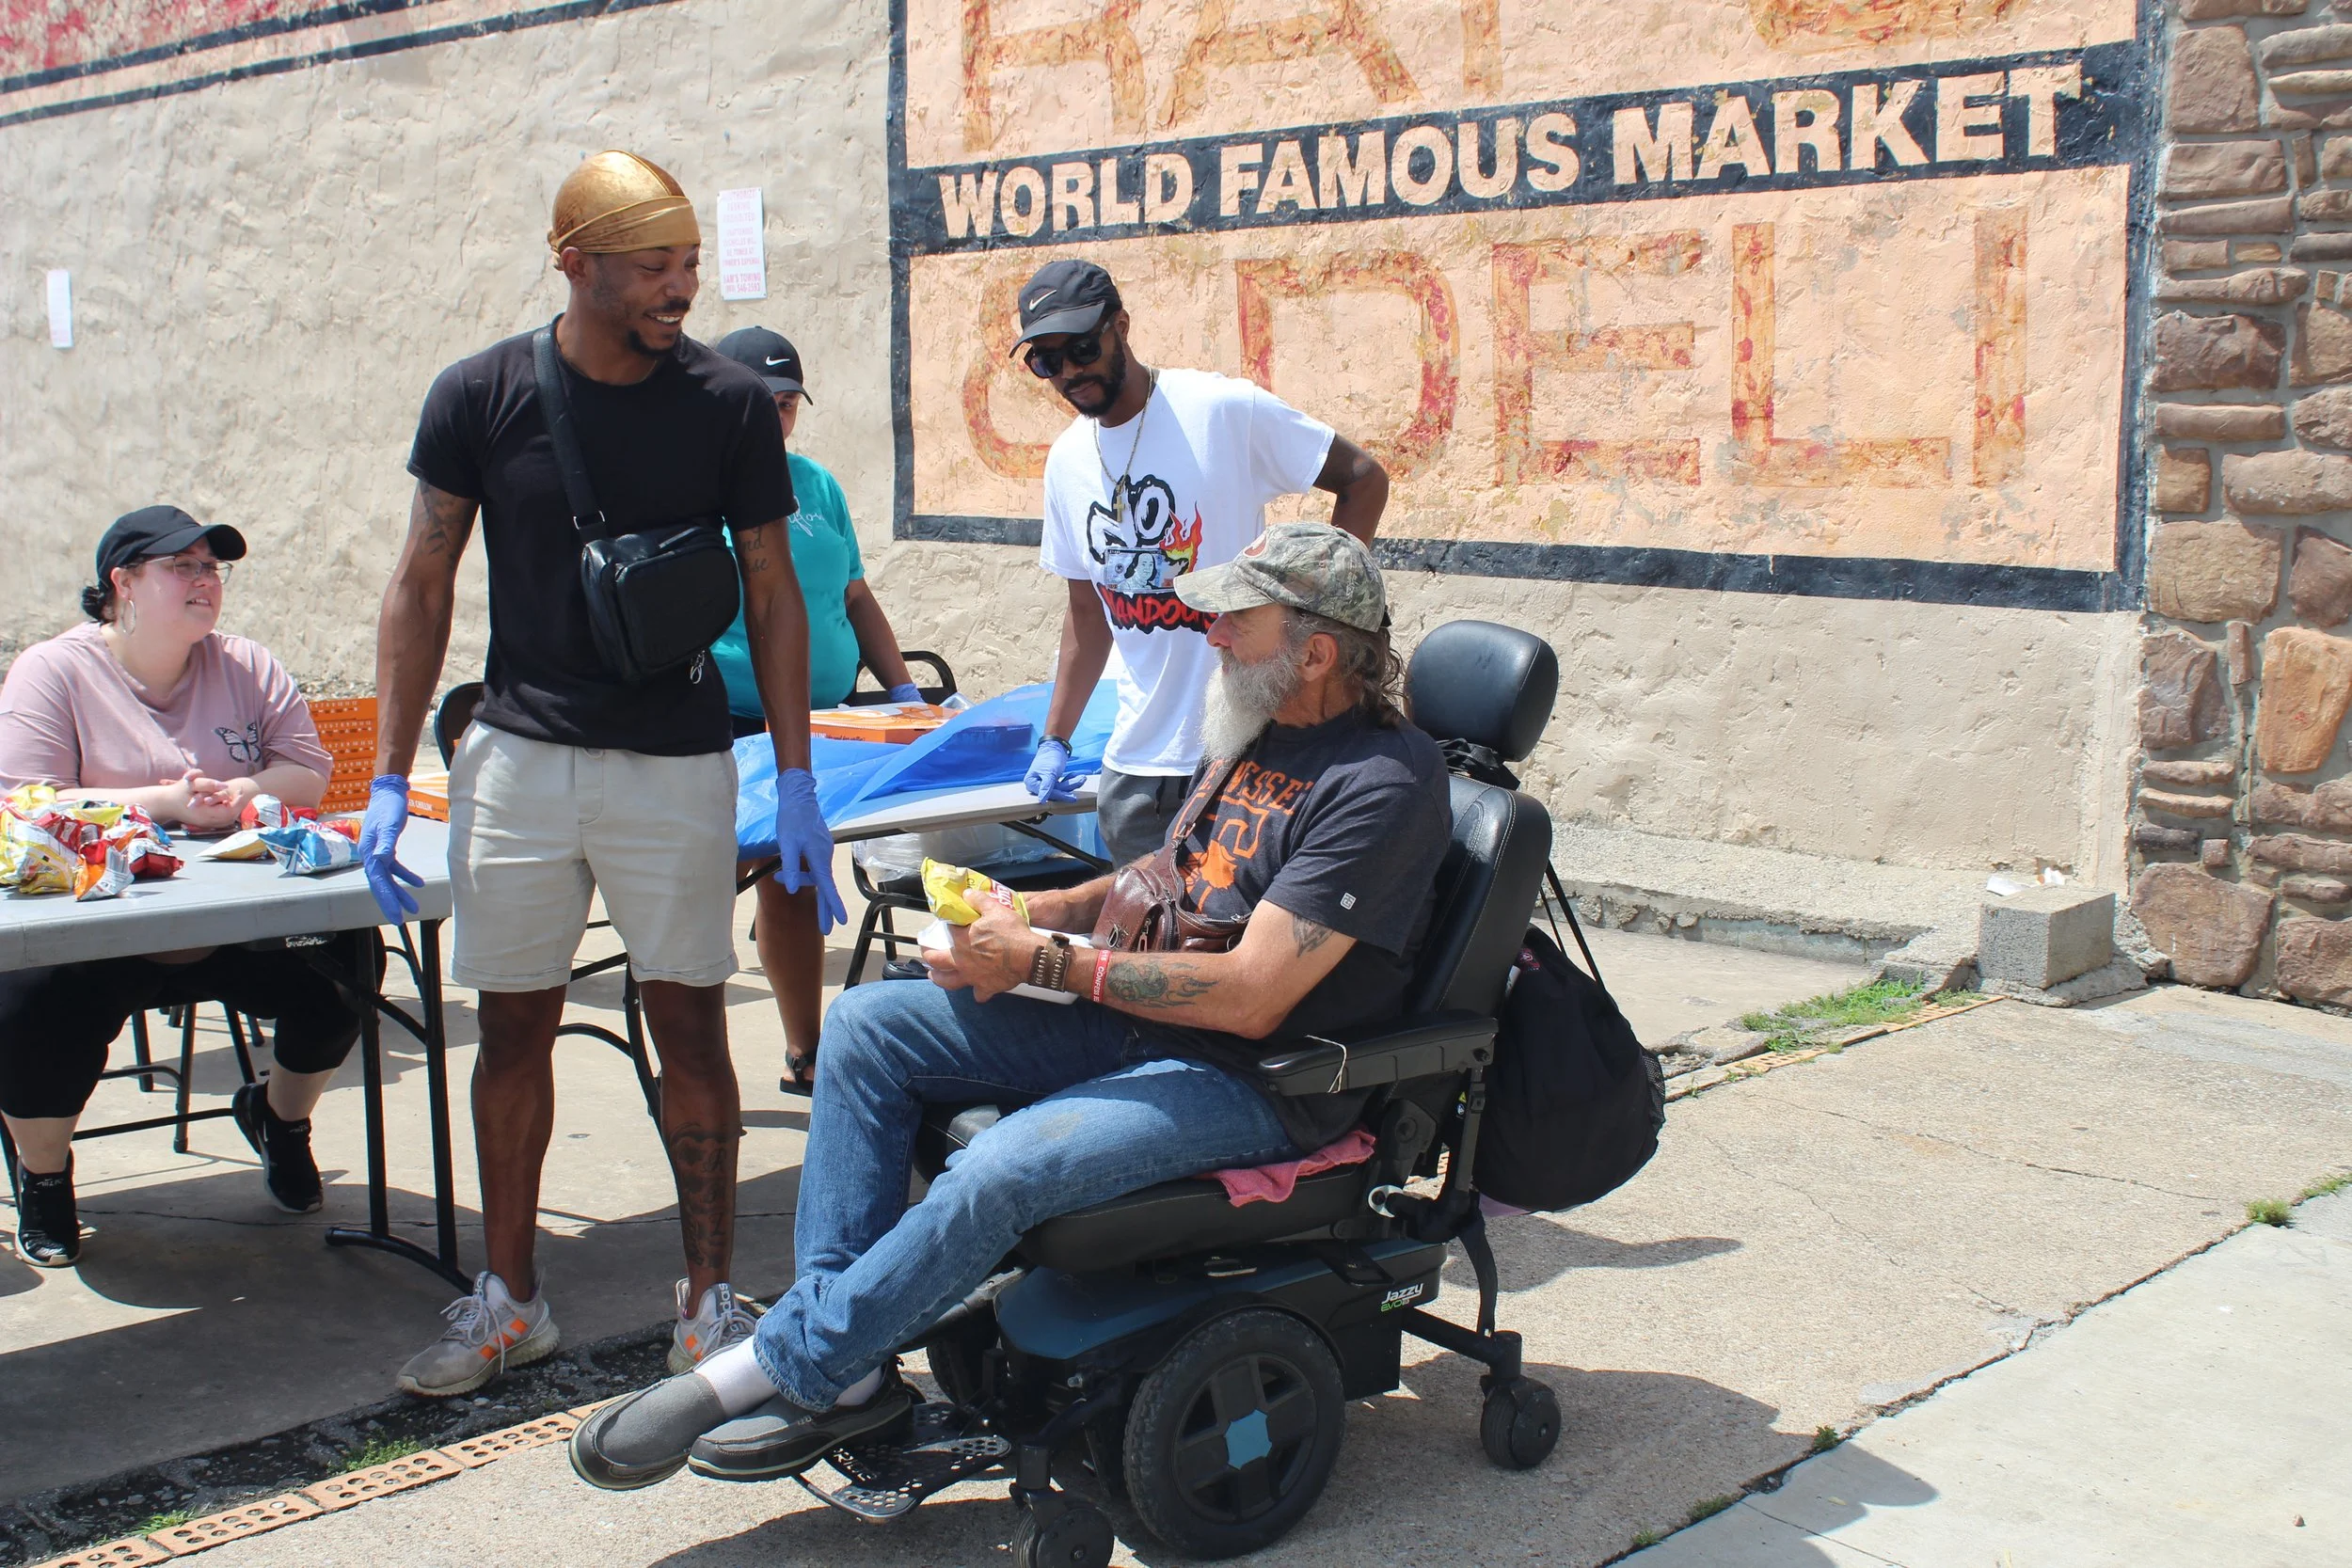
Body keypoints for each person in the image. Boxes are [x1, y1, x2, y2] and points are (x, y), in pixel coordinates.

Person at [566, 522, 1451, 1489]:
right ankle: (851, 1368)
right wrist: (1030, 911)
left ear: (1317, 649)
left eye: (1239, 620)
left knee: (1002, 1163)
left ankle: (781, 1362)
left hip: (1256, 1078)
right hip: (1145, 1020)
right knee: (864, 1026)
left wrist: (1046, 962)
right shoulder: (1261, 726)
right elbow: (1157, 881)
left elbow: (1252, 994)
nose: (1213, 636)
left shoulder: (1382, 785)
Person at [358, 150, 845, 1398]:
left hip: (675, 760)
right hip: (517, 753)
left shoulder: (730, 403)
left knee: (688, 1018)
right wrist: (386, 766)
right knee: (510, 1021)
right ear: (572, 263)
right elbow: (423, 577)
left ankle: (705, 1302)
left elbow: (776, 588)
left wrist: (794, 776)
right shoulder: (480, 395)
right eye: (651, 265)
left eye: (688, 262)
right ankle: (511, 1299)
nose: (678, 287)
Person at [0, 506, 361, 1266]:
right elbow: (27, 801)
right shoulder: (53, 671)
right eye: (183, 566)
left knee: (347, 960)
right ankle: (43, 1175)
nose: (205, 581)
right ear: (121, 584)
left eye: (212, 568)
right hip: (100, 925)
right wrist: (162, 804)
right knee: (23, 1000)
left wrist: (235, 792)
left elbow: (308, 772)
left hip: (233, 916)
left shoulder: (248, 665)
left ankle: (278, 1120)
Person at [1015, 259, 1391, 866]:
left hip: (1247, 747)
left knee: (1239, 949)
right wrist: (1055, 738)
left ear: (1121, 326)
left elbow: (1363, 480)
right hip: (1135, 772)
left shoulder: (1219, 410)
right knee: (1144, 945)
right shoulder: (1065, 461)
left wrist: (1318, 617)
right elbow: (1088, 615)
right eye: (1046, 361)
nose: (1069, 373)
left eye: (1081, 348)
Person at [709, 326, 924, 1089]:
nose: (775, 420)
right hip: (727, 723)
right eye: (758, 404)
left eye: (787, 404)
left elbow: (855, 595)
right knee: (708, 888)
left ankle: (807, 1049)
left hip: (818, 724)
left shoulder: (818, 486)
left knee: (795, 877)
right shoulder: (694, 487)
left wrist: (903, 691)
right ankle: (700, 1067)